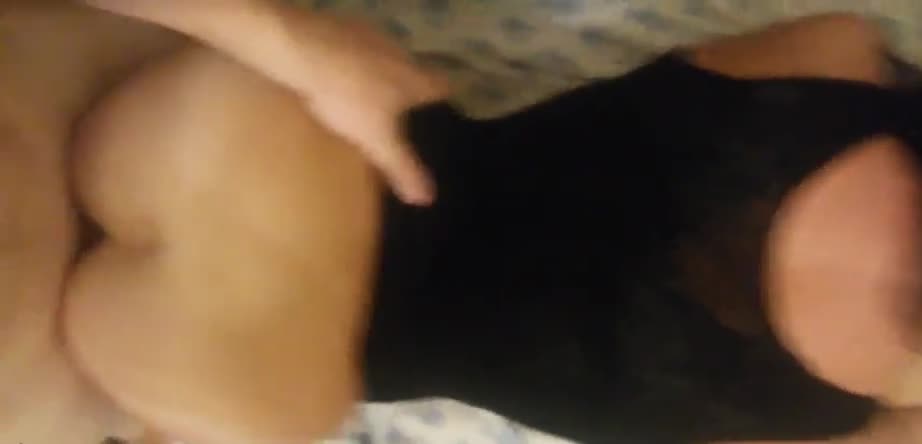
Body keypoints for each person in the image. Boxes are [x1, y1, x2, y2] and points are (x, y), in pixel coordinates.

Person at [1, 1, 921, 444]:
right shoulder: (840, 68)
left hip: (249, 284)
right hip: (263, 176)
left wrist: (296, 49)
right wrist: (296, 44)